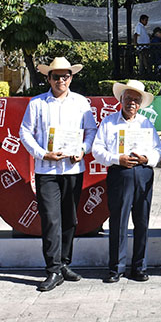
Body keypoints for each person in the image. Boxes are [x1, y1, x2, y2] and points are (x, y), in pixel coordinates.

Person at [19, 56, 98, 292]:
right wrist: (42, 154)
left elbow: (91, 131)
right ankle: (52, 269)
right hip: (47, 170)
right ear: (48, 78)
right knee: (51, 219)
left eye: (65, 76)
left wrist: (83, 150)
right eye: (56, 76)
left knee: (70, 219)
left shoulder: (81, 103)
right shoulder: (37, 104)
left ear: (71, 78)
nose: (61, 80)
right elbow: (25, 133)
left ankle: (64, 264)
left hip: (73, 169)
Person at [91, 80, 161, 283]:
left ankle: (139, 267)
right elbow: (97, 149)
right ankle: (116, 268)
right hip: (119, 174)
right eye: (128, 98)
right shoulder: (109, 122)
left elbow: (157, 149)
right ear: (121, 100)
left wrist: (147, 159)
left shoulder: (146, 124)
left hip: (142, 174)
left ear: (140, 104)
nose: (132, 102)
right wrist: (116, 159)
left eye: (136, 100)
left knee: (142, 222)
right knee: (118, 222)